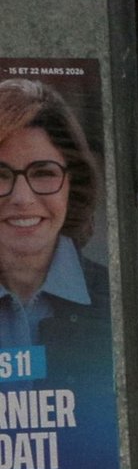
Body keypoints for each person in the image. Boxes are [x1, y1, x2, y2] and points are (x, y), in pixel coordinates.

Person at [0, 78, 107, 356]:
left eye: (44, 173)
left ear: (74, 182)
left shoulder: (117, 296)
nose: (22, 198)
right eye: (0, 175)